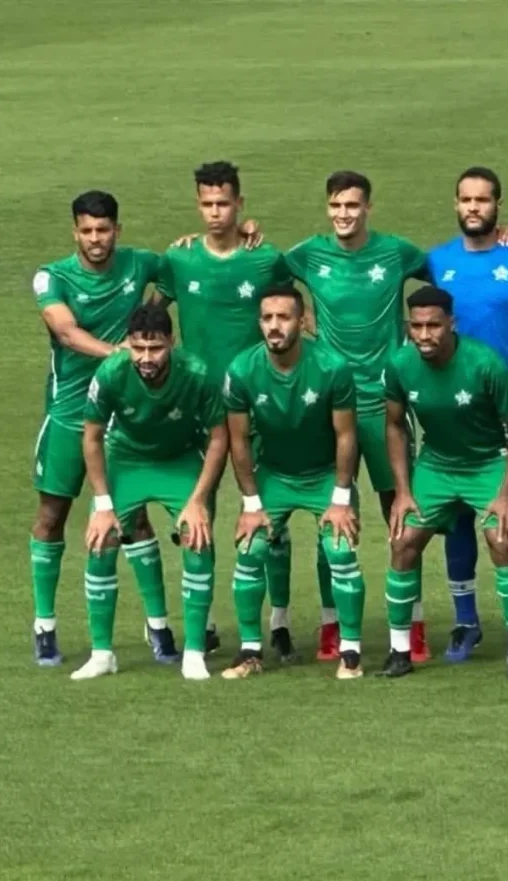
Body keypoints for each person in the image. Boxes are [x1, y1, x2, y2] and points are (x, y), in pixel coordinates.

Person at [156, 161, 338, 663]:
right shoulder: (179, 257)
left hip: (256, 409)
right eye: (207, 204)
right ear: (198, 205)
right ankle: (207, 623)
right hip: (197, 410)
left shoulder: (266, 259)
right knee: (199, 513)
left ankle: (278, 621)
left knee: (265, 515)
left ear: (240, 204)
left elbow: (298, 304)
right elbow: (152, 314)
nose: (215, 212)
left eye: (224, 203)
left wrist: (321, 339)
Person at [285, 170, 432, 661]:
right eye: (335, 206)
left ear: (368, 207)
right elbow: (266, 278)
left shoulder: (397, 253)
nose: (343, 214)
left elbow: (447, 275)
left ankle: (411, 624)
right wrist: (302, 316)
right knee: (332, 514)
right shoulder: (308, 254)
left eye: (352, 205)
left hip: (387, 403)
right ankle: (332, 625)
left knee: (402, 513)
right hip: (333, 405)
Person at [426, 166, 508, 666]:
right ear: (455, 203)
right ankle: (466, 622)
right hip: (456, 403)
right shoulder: (437, 261)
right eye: (466, 199)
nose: (473, 207)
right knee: (459, 505)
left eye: (482, 200)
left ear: (498, 205)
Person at [29, 191, 166, 666]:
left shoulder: (140, 264)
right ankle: (44, 625)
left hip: (123, 416)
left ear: (117, 231)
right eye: (86, 230)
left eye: (103, 230)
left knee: (134, 518)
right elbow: (66, 332)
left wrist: (240, 232)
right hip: (69, 414)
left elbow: (184, 269)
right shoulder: (53, 276)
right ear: (75, 232)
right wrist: (123, 353)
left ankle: (158, 627)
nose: (95, 239)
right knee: (52, 516)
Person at [380, 287, 508, 679]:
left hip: (488, 463)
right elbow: (395, 425)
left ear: (452, 323)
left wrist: (507, 493)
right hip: (436, 465)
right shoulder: (399, 365)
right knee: (402, 543)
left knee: (502, 541)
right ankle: (399, 651)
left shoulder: (485, 363)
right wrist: (403, 491)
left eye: (433, 325)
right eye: (417, 326)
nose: (425, 335)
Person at [71, 304, 229, 681]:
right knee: (100, 541)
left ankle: (194, 652)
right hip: (127, 459)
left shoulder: (197, 373)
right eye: (138, 348)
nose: (145, 357)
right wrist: (103, 504)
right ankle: (102, 654)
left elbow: (219, 437)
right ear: (128, 344)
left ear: (171, 343)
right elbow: (92, 437)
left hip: (179, 459)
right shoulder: (110, 372)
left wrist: (197, 501)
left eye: (155, 348)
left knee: (196, 538)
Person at [221, 288, 367, 680]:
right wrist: (251, 505)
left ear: (301, 322)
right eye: (267, 318)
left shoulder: (333, 367)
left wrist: (341, 498)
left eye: (283, 317)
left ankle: (351, 653)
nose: (274, 326)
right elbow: (238, 440)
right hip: (275, 474)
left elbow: (346, 436)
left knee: (339, 550)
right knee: (250, 547)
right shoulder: (241, 370)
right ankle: (250, 650)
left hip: (325, 475)